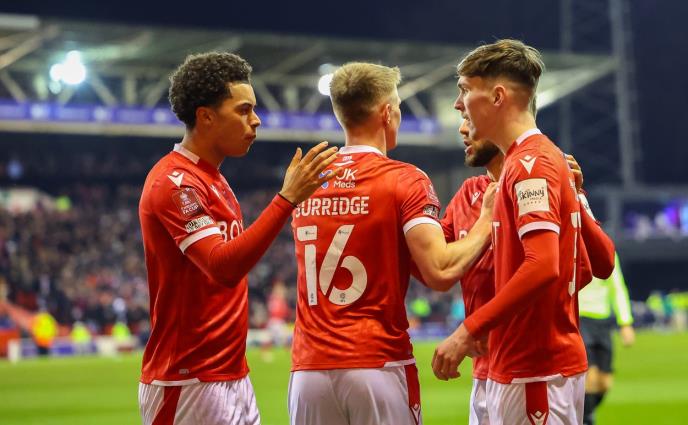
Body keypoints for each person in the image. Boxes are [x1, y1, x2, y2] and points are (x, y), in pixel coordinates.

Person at [288, 62, 496, 425]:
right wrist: (485, 221)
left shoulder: (305, 182)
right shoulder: (404, 179)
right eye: (398, 107)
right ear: (387, 113)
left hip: (308, 371)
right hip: (376, 362)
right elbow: (440, 271)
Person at [137, 52, 339, 425]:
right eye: (244, 110)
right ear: (206, 117)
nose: (256, 120)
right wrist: (286, 199)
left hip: (230, 373)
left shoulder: (214, 179)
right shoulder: (174, 182)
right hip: (188, 380)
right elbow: (222, 267)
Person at [432, 39, 616, 425]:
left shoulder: (531, 164)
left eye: (465, 90)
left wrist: (469, 329)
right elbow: (576, 268)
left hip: (535, 369)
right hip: (516, 365)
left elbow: (547, 265)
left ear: (498, 97)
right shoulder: (522, 163)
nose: (458, 105)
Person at [579, 253, 635, 425]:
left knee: (605, 382)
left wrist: (625, 322)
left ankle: (582, 414)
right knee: (589, 377)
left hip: (602, 321)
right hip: (579, 317)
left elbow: (617, 287)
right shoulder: (571, 245)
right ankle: (586, 419)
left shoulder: (607, 250)